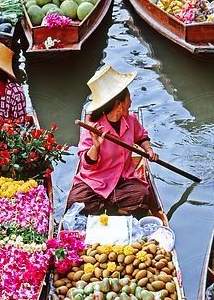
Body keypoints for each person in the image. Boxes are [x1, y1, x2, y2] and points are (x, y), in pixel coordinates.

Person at [66, 65, 158, 215]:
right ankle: (115, 209)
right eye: (129, 99)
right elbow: (86, 164)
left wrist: (148, 150)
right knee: (75, 202)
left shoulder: (131, 120)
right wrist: (95, 147)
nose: (131, 103)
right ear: (119, 105)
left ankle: (106, 208)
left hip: (122, 180)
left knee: (142, 196)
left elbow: (142, 137)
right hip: (95, 182)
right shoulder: (94, 127)